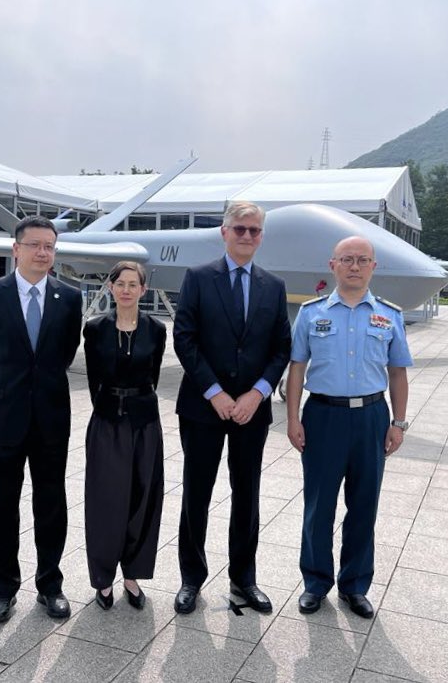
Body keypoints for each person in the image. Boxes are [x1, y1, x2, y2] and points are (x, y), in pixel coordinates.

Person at [172, 201, 292, 615]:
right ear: (224, 233)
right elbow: (184, 339)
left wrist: (258, 393)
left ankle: (244, 578)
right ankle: (191, 578)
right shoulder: (199, 278)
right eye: (239, 229)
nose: (246, 236)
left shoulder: (273, 286)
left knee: (247, 496)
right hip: (204, 408)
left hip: (250, 411)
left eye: (254, 230)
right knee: (197, 494)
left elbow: (281, 348)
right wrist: (215, 392)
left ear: (261, 236)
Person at [285, 235, 412, 619]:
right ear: (332, 265)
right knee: (318, 505)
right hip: (323, 416)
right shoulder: (310, 313)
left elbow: (397, 372)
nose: (354, 266)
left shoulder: (390, 315)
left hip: (372, 417)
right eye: (347, 259)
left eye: (362, 260)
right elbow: (296, 369)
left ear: (373, 266)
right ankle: (316, 583)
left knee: (363, 506)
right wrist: (292, 418)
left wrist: (399, 423)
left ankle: (355, 586)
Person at [0, 215, 83, 623]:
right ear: (15, 249)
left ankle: (50, 584)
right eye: (34, 245)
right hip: (4, 418)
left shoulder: (69, 298)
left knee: (51, 504)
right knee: (1, 506)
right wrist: (9, 389)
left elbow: (65, 355)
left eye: (49, 246)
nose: (42, 252)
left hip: (51, 418)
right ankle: (4, 586)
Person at [83, 261, 167, 611]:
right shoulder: (95, 329)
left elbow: (155, 374)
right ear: (111, 287)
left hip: (145, 423)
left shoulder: (157, 330)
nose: (128, 290)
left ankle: (132, 574)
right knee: (105, 501)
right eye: (121, 283)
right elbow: (92, 379)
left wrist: (135, 406)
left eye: (135, 284)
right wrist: (109, 407)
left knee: (142, 499)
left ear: (143, 290)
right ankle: (103, 579)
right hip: (106, 423)